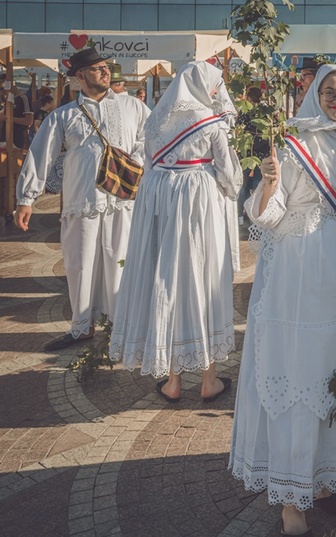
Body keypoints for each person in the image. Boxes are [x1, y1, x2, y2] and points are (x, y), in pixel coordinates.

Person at [229, 64, 336, 537]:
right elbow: (266, 217)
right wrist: (270, 181)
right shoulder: (292, 143)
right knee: (292, 370)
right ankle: (291, 498)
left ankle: (322, 479)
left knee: (325, 372)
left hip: (333, 271)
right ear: (315, 93)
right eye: (329, 91)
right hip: (294, 268)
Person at [109, 61, 240, 402]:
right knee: (202, 278)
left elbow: (150, 163)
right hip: (198, 205)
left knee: (165, 279)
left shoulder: (156, 119)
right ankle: (209, 380)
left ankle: (173, 381)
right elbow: (229, 177)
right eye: (214, 85)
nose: (216, 91)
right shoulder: (212, 123)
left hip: (160, 204)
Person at [15, 47, 149, 351]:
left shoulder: (132, 106)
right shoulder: (64, 115)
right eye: (97, 68)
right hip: (83, 201)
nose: (105, 71)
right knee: (79, 264)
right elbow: (40, 154)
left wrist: (136, 161)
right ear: (81, 76)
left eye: (106, 67)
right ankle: (81, 326)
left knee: (120, 262)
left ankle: (121, 327)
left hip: (122, 201)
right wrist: (26, 198)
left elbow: (151, 137)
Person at [237, 86, 269, 226]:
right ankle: (254, 216)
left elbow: (239, 129)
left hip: (246, 152)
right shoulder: (264, 112)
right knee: (257, 184)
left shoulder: (245, 111)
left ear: (249, 97)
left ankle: (240, 215)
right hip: (262, 153)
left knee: (242, 185)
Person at [0, 72, 34, 149]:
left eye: (2, 89)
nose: (2, 92)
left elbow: (29, 121)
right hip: (4, 138)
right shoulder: (8, 99)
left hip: (16, 139)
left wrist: (9, 118)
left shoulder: (23, 98)